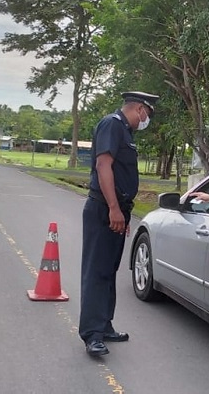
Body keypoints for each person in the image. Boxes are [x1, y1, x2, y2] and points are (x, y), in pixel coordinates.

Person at [79, 90, 160, 357]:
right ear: (138, 109)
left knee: (108, 271)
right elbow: (104, 166)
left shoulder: (125, 131)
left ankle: (104, 325)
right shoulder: (112, 124)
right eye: (146, 115)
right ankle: (92, 335)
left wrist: (122, 212)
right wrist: (113, 208)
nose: (146, 120)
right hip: (103, 208)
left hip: (117, 210)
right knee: (96, 272)